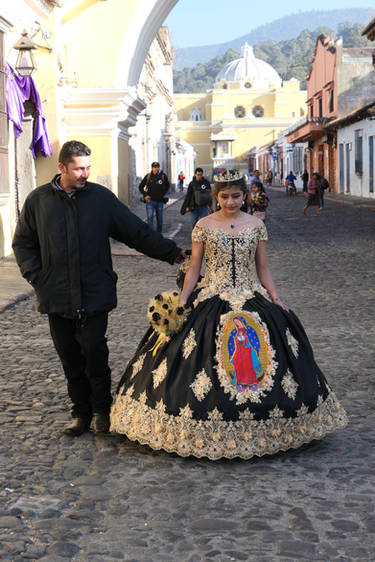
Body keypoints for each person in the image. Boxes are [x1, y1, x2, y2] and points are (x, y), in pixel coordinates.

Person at [111, 169, 347, 460]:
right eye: (224, 196)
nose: (231, 201)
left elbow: (263, 267)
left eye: (236, 196)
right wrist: (182, 302)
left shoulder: (256, 225)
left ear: (245, 196)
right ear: (215, 197)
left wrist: (275, 297)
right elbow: (195, 269)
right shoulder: (204, 225)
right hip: (212, 295)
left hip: (251, 295)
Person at [12, 141, 185, 438]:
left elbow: (136, 232)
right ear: (62, 168)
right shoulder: (38, 201)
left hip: (94, 292)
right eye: (79, 168)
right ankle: (80, 413)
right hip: (56, 295)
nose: (85, 174)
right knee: (69, 357)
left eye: (88, 167)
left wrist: (172, 253)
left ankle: (101, 412)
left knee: (95, 353)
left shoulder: (101, 199)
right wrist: (37, 277)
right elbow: (23, 243)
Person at [139, 162, 170, 233]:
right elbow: (140, 187)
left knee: (160, 220)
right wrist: (145, 195)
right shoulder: (148, 176)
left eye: (157, 167)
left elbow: (167, 185)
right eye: (154, 167)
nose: (156, 168)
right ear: (152, 168)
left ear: (159, 168)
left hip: (160, 202)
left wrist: (163, 193)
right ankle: (151, 235)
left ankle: (159, 235)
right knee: (150, 219)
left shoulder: (163, 176)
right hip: (150, 202)